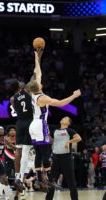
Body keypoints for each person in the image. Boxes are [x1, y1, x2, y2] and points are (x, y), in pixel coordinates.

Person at [26, 51, 81, 189]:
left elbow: (38, 73)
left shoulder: (33, 93)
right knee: (45, 152)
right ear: (38, 87)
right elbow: (61, 103)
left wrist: (36, 58)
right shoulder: (42, 98)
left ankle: (39, 179)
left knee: (38, 152)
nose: (41, 82)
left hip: (33, 124)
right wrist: (74, 96)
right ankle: (50, 179)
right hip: (40, 124)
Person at [46, 116, 82, 200]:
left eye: (66, 118)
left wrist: (69, 141)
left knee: (71, 183)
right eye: (63, 117)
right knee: (51, 182)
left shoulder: (69, 130)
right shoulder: (55, 131)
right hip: (55, 158)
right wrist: (46, 134)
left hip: (66, 159)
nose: (63, 118)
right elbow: (51, 140)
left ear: (68, 123)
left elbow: (78, 138)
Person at [10, 79, 34, 196]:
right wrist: (37, 64)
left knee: (18, 150)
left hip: (19, 123)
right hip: (29, 122)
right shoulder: (27, 91)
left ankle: (16, 176)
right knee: (26, 150)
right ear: (19, 85)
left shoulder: (12, 98)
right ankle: (21, 177)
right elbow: (32, 80)